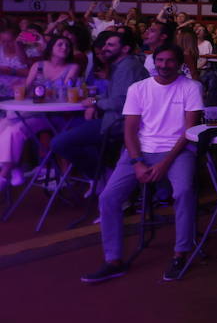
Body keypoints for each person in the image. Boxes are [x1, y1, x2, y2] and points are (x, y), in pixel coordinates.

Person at [81, 45, 203, 284]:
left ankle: (181, 253)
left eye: (169, 61)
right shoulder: (139, 88)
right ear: (153, 61)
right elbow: (130, 131)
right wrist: (137, 162)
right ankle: (113, 260)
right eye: (160, 60)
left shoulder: (191, 87)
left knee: (184, 191)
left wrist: (165, 164)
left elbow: (189, 131)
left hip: (177, 151)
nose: (164, 65)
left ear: (179, 63)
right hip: (139, 150)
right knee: (108, 198)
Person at [51, 30, 146, 184]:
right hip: (113, 120)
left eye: (111, 45)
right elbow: (113, 96)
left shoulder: (127, 68)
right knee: (71, 130)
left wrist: (96, 103)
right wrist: (94, 100)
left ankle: (101, 175)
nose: (104, 48)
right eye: (105, 44)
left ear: (125, 49)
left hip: (119, 124)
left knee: (59, 142)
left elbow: (120, 103)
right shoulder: (121, 65)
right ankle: (103, 174)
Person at [0, 34, 82, 186]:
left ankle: (5, 173)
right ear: (51, 48)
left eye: (67, 45)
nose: (64, 48)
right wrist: (20, 88)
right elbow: (27, 88)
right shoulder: (38, 66)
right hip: (36, 111)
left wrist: (39, 91)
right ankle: (13, 167)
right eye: (60, 44)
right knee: (3, 124)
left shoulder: (72, 67)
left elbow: (63, 92)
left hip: (57, 114)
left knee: (14, 128)